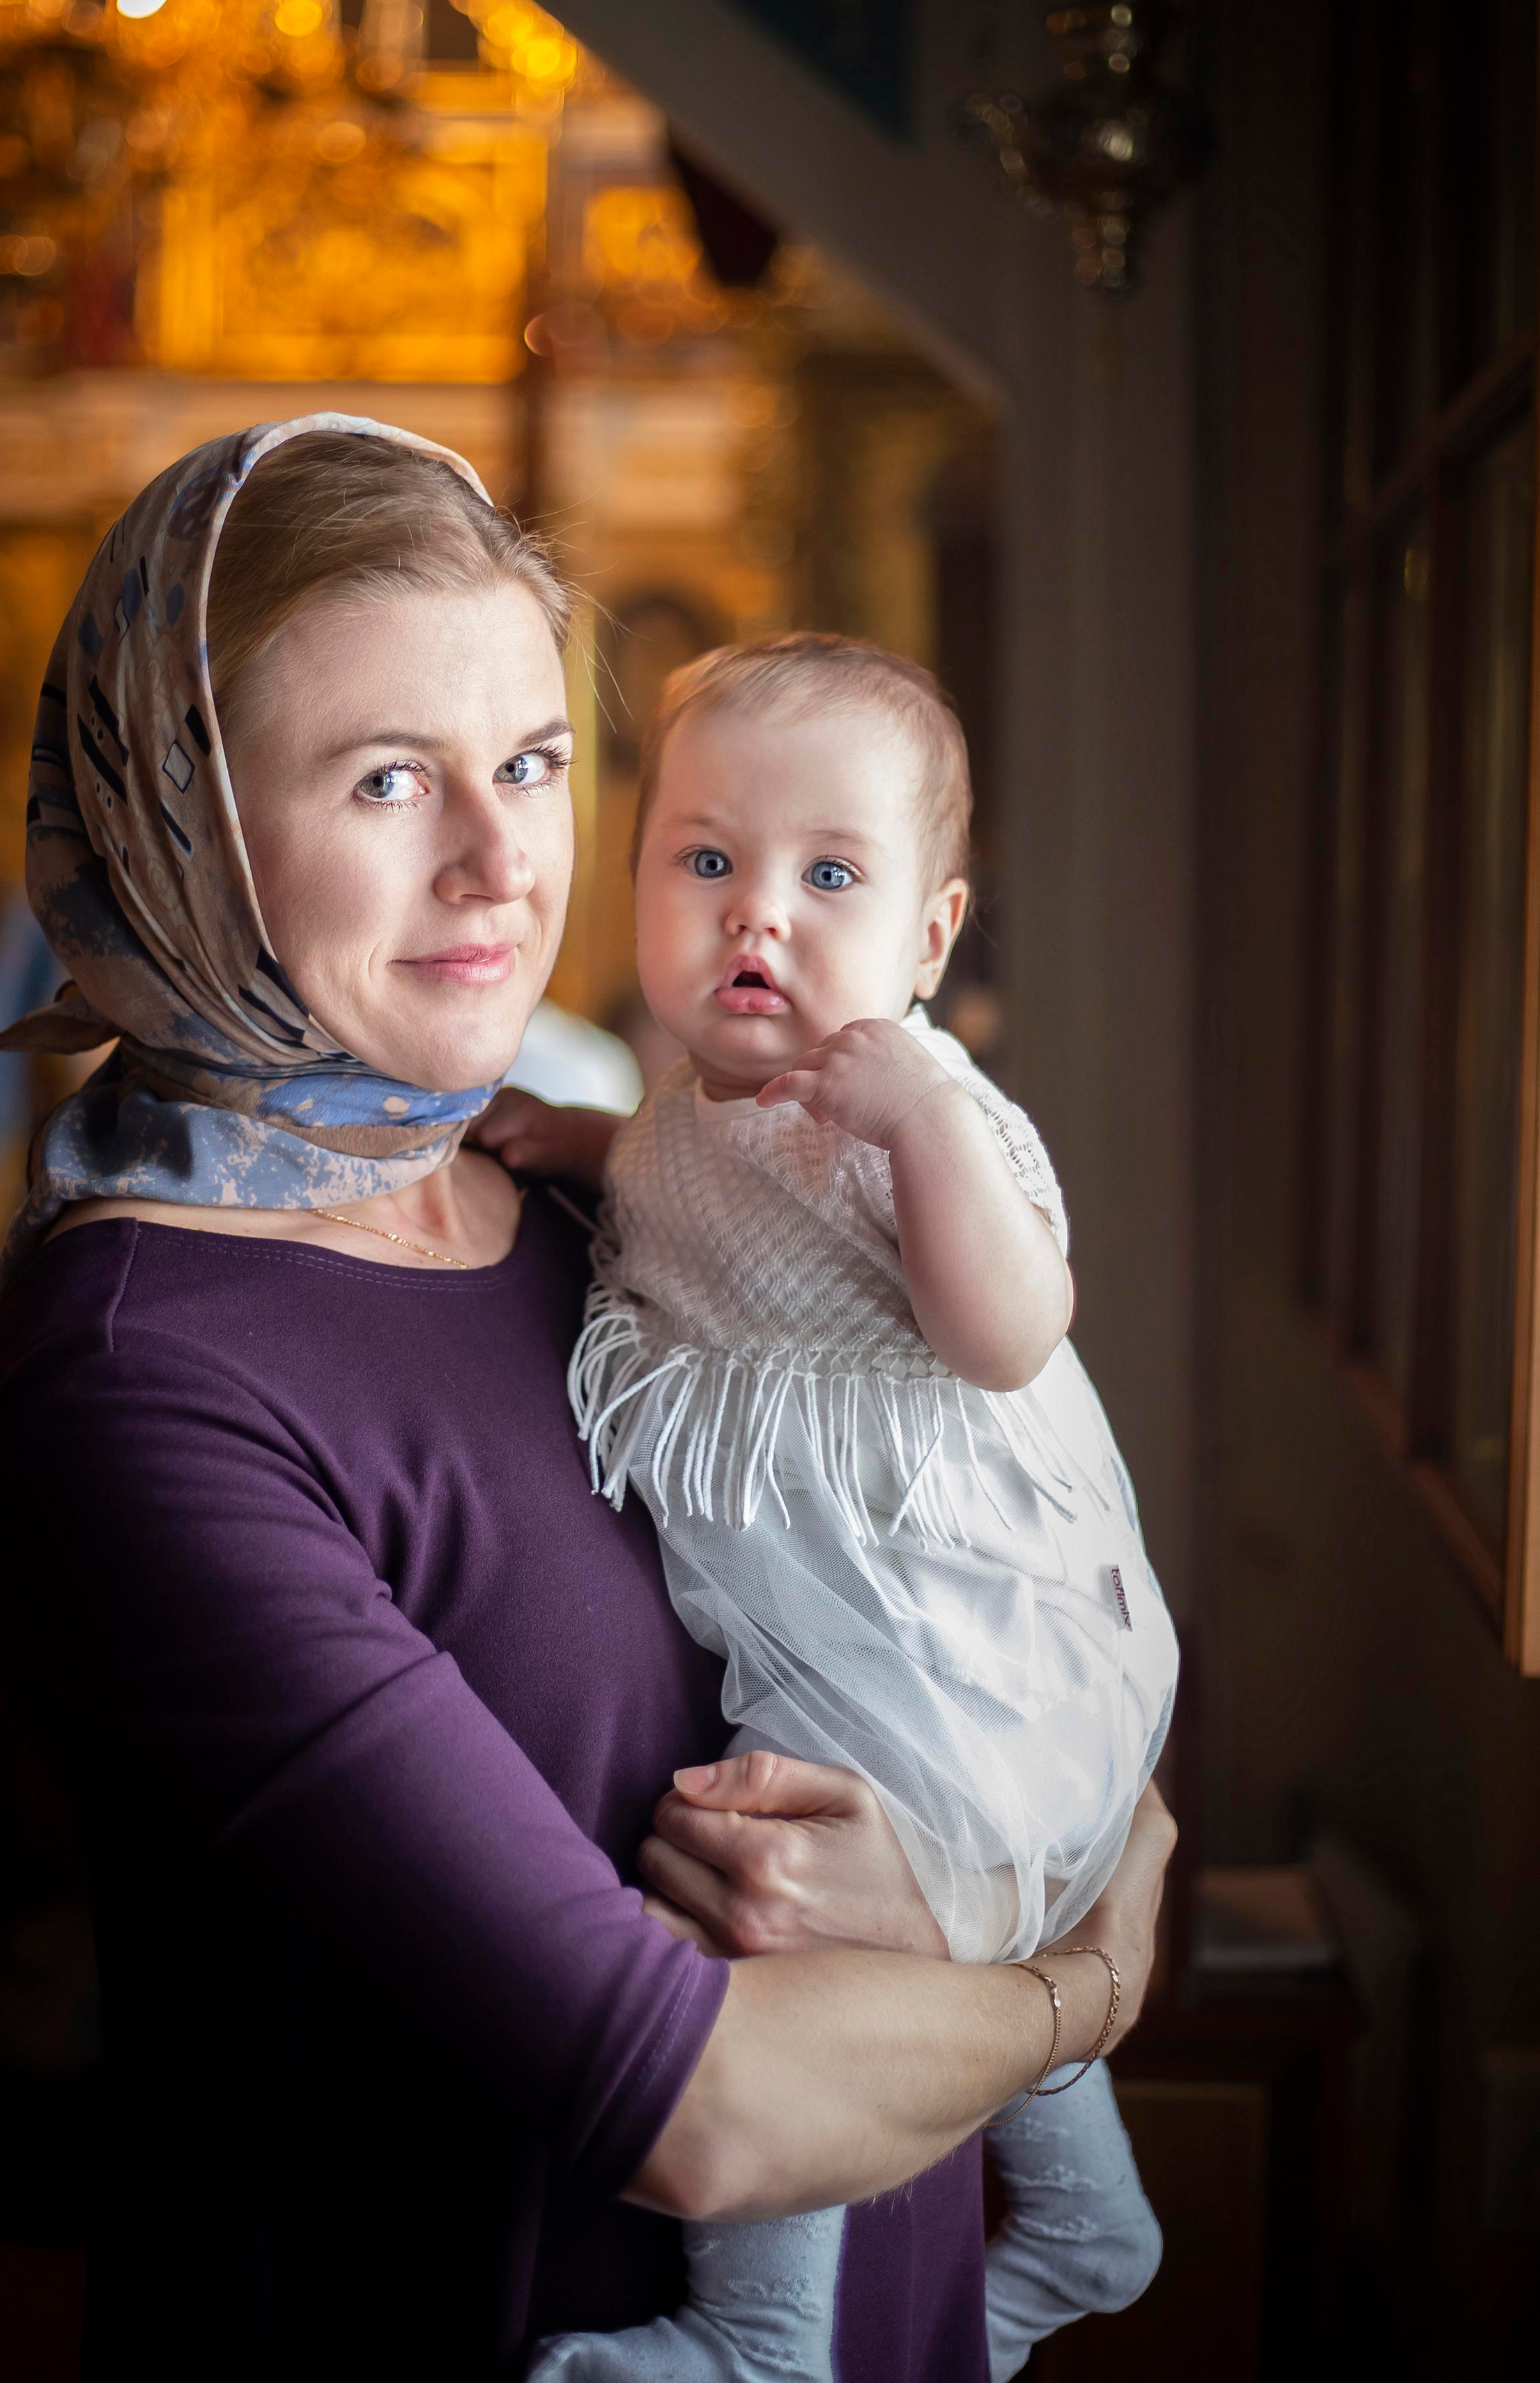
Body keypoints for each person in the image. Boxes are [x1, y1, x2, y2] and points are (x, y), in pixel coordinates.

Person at [0, 416, 1176, 2381]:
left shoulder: (591, 1196)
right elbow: (698, 2102)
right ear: (186, 822)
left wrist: (990, 1855)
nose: (502, 861)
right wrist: (1072, 1981)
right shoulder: (146, 1388)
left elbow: (981, 1621)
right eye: (387, 778)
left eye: (531, 763)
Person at [479, 635, 1179, 2383]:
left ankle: (758, 2343)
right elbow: (679, 1177)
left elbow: (1012, 1332)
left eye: (829, 877)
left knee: (774, 1934)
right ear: (634, 879)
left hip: (933, 1628)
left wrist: (924, 1124)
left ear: (928, 940)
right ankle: (1092, 2227)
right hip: (831, 1611)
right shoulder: (690, 1109)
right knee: (938, 1934)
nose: (754, 918)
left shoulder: (917, 1112)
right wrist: (582, 1146)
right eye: (704, 861)